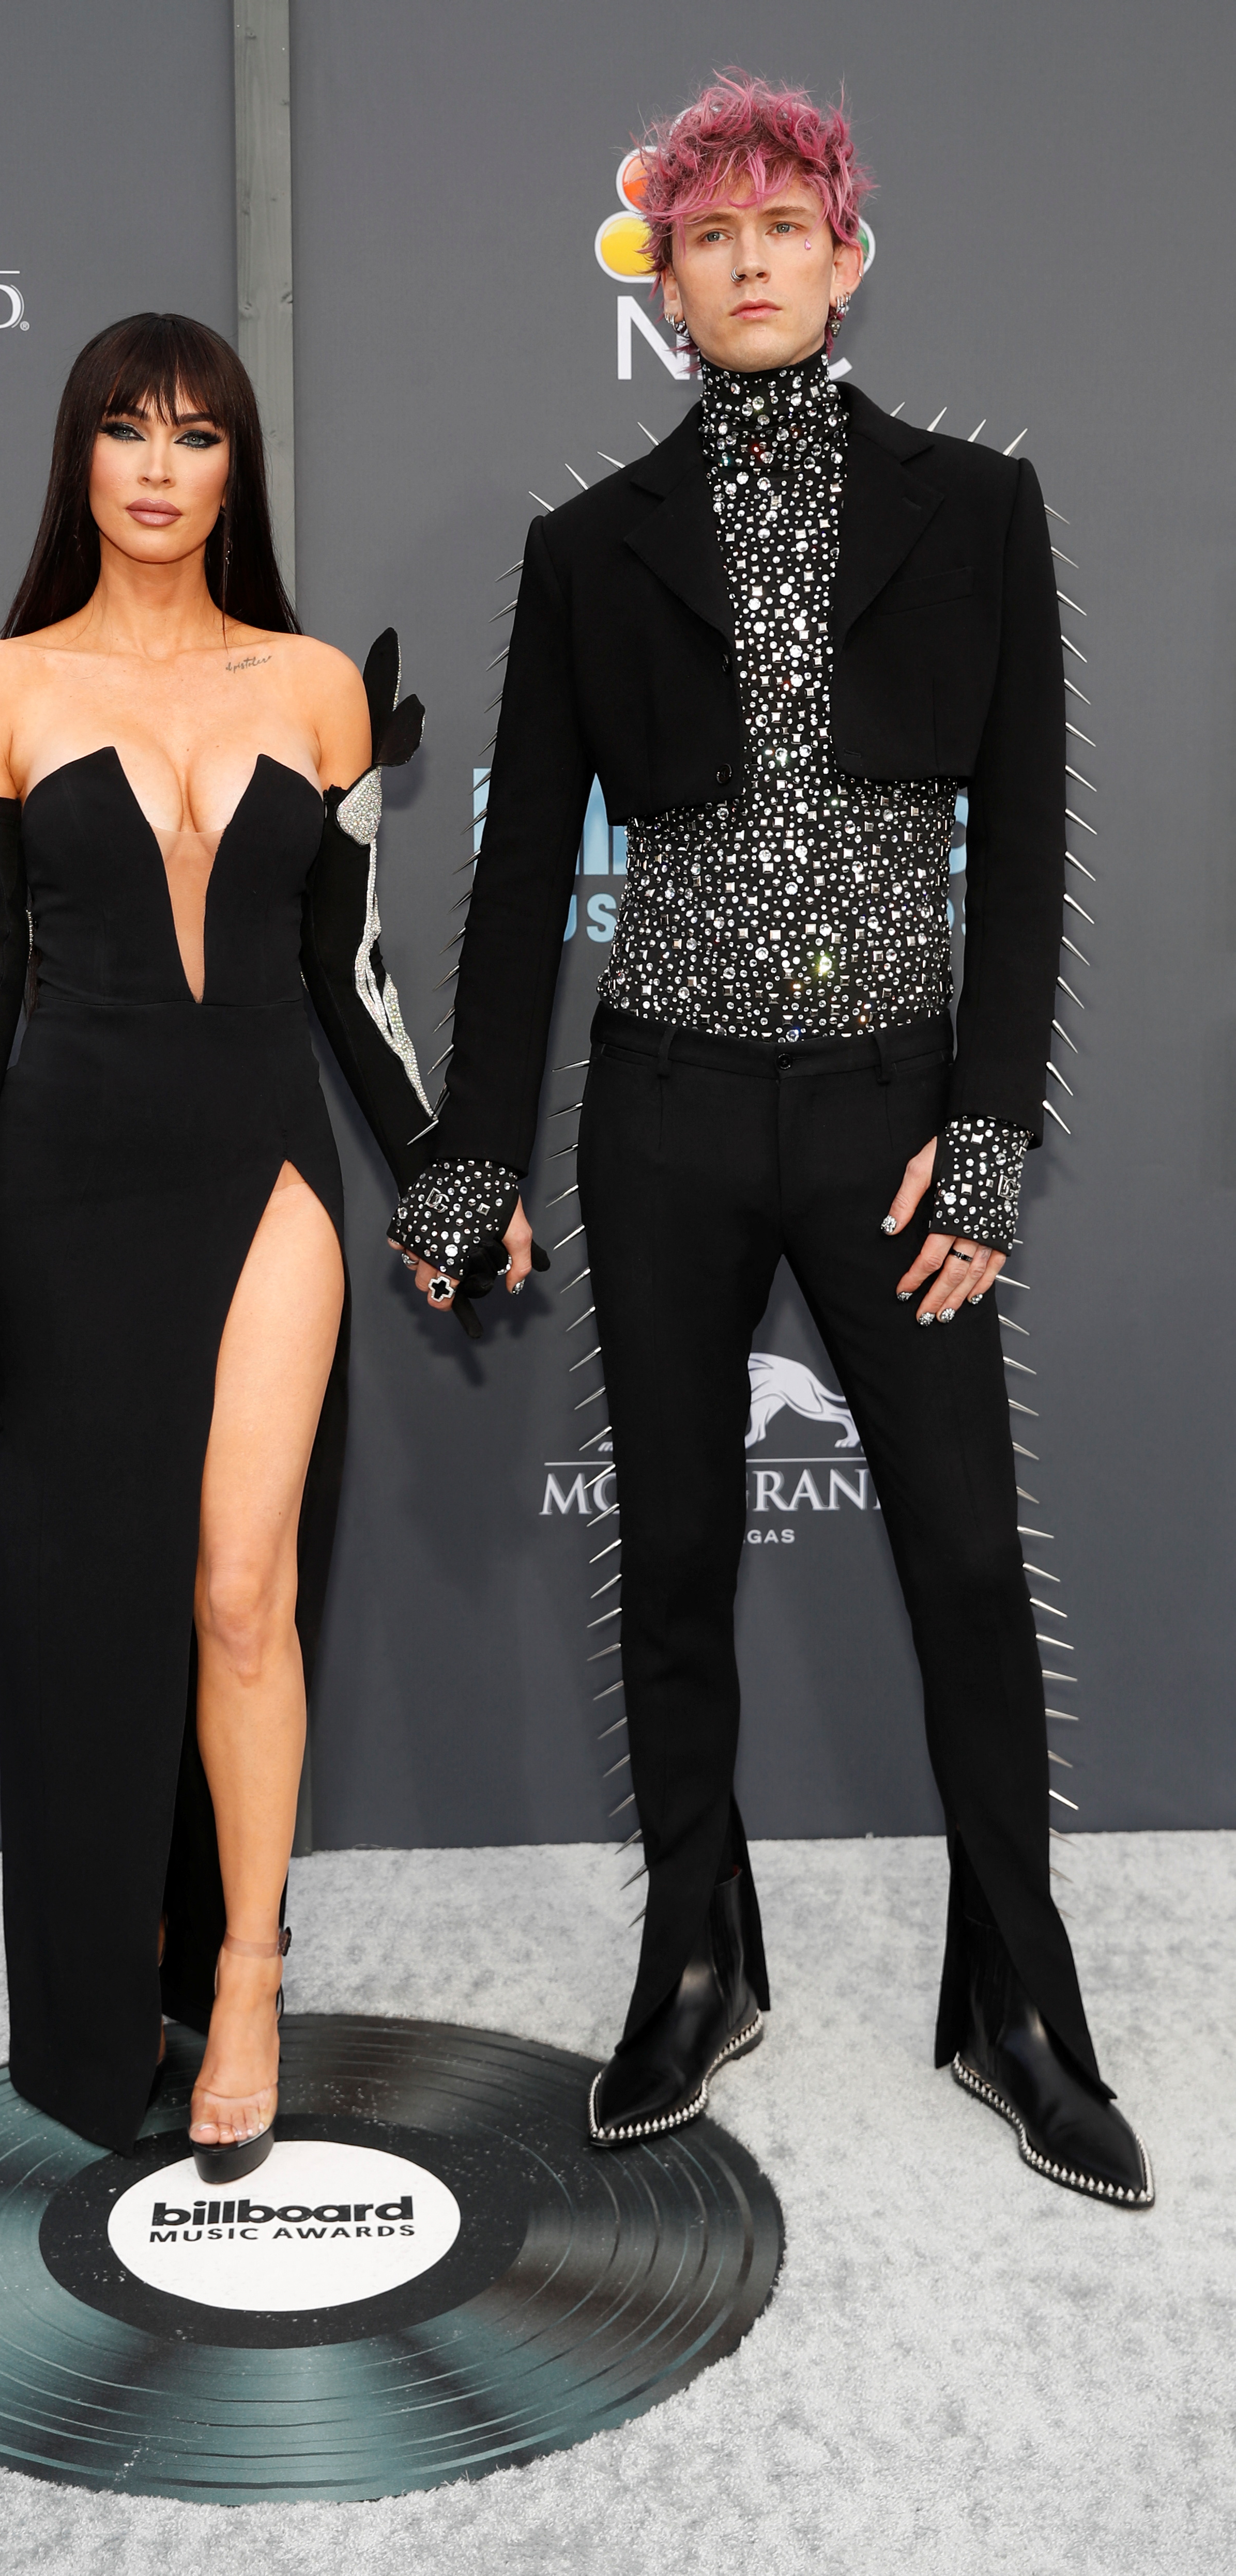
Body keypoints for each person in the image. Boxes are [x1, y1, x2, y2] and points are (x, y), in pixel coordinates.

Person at [390, 75, 1151, 2205]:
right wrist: (471, 1151)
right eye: (704, 231)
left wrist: (990, 1132)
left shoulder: (979, 508)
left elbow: (1027, 853)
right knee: (684, 1560)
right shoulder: (584, 548)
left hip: (900, 1115)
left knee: (973, 1561)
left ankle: (1018, 1994)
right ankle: (697, 1950)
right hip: (667, 1115)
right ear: (662, 273)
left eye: (781, 225)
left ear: (846, 258)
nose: (746, 259)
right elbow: (527, 852)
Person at [0, 312, 446, 2181]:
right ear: (79, 456)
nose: (154, 463)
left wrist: (436, 1169)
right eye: (122, 428)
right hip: (63, 1178)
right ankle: (110, 1953)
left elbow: (354, 986)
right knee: (91, 1602)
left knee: (235, 1587)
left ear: (233, 470)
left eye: (194, 434)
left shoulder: (314, 686)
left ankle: (252, 1967)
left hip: (266, 1165)